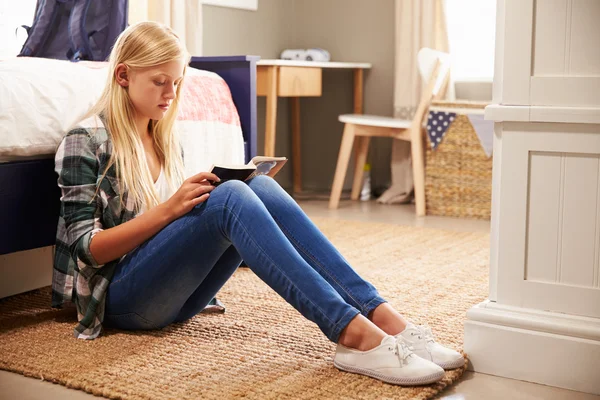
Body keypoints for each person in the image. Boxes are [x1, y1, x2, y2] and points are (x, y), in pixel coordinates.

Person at [52, 21, 464, 387]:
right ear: (123, 75)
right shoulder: (84, 142)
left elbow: (171, 234)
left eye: (176, 82)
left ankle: (383, 317)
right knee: (231, 196)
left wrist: (205, 198)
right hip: (119, 301)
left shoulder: (163, 136)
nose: (171, 93)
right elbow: (88, 248)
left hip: (172, 296)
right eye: (160, 81)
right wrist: (172, 208)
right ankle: (352, 334)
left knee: (256, 188)